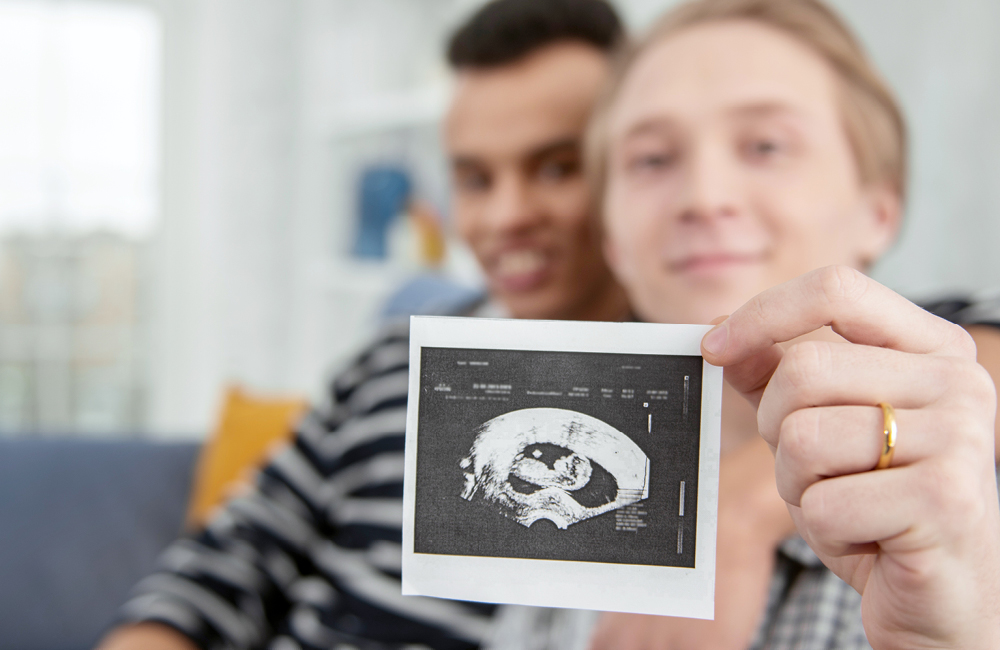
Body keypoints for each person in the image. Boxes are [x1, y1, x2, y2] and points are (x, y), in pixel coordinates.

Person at [96, 1, 632, 649]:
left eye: (556, 168)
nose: (505, 216)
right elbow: (234, 553)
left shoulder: (697, 413)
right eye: (473, 178)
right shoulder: (391, 359)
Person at [581, 0, 1000, 647]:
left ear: (879, 210)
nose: (704, 196)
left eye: (767, 145)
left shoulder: (971, 516)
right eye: (652, 159)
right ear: (612, 241)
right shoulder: (559, 520)